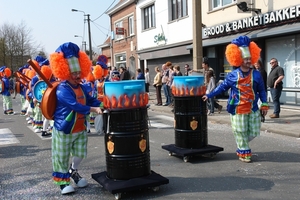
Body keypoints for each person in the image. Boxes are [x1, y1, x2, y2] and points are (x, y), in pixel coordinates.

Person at [202, 35, 269, 163]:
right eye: (245, 58)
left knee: (254, 131)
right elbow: (221, 87)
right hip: (238, 109)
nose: (249, 61)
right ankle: (244, 150)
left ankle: (241, 140)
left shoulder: (256, 74)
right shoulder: (232, 75)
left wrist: (264, 103)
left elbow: (261, 90)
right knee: (240, 130)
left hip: (253, 108)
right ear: (238, 59)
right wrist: (209, 94)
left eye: (250, 58)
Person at [49, 42, 102, 195]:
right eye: (74, 73)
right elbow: (75, 105)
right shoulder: (62, 89)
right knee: (62, 156)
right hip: (64, 128)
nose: (78, 76)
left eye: (79, 72)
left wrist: (105, 104)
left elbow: (91, 100)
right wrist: (93, 109)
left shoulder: (82, 86)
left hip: (79, 128)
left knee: (79, 153)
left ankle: (73, 171)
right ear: (65, 72)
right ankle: (63, 182)